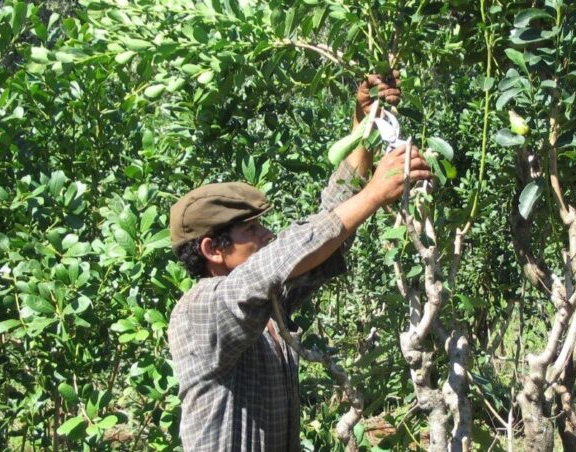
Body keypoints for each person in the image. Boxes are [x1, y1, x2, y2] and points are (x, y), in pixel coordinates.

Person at [167, 73, 431, 451]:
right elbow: (278, 259)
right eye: (252, 230)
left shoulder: (267, 304)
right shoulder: (200, 311)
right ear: (213, 249)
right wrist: (374, 194)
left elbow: (323, 230)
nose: (267, 236)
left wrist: (365, 125)